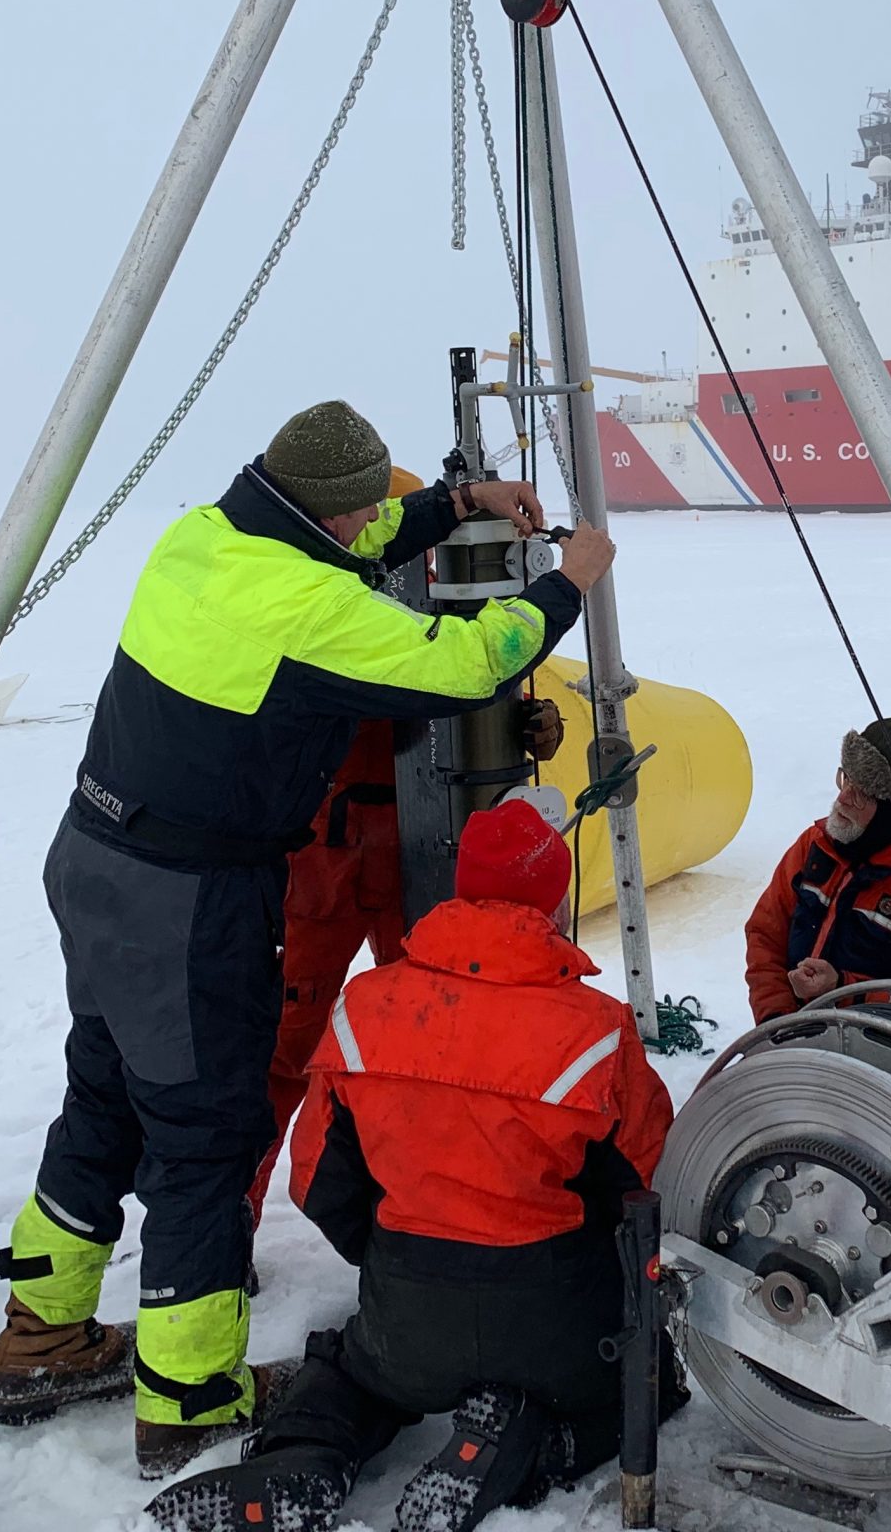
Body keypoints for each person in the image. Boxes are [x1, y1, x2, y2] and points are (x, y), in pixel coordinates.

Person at [0, 401, 614, 1478]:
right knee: (207, 1137)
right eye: (368, 506)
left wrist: (457, 504)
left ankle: (41, 1333)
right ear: (340, 505)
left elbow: (358, 540)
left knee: (102, 1096)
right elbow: (465, 665)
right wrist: (566, 583)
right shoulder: (305, 602)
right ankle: (187, 1395)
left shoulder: (207, 535)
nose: (374, 523)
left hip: (94, 856)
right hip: (191, 892)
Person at [145, 799, 678, 1532]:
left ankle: (301, 1458)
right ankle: (529, 1443)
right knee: (647, 1382)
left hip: (408, 1310)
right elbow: (650, 1182)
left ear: (458, 888)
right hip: (552, 1312)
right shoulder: (597, 1029)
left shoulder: (367, 1003)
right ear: (555, 900)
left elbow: (314, 1178)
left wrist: (395, 1253)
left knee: (353, 1374)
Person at [242, 469, 569, 1229]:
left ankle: (425, 1209)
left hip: (424, 853)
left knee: (435, 1038)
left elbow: (477, 684)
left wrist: (530, 723)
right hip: (327, 860)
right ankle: (231, 1216)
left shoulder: (436, 611)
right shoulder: (313, 608)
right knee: (284, 1050)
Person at [742, 716, 891, 1024]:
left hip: (873, 1062)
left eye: (861, 793)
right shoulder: (814, 845)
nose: (842, 798)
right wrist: (777, 1021)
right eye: (846, 780)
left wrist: (841, 987)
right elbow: (765, 934)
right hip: (790, 1038)